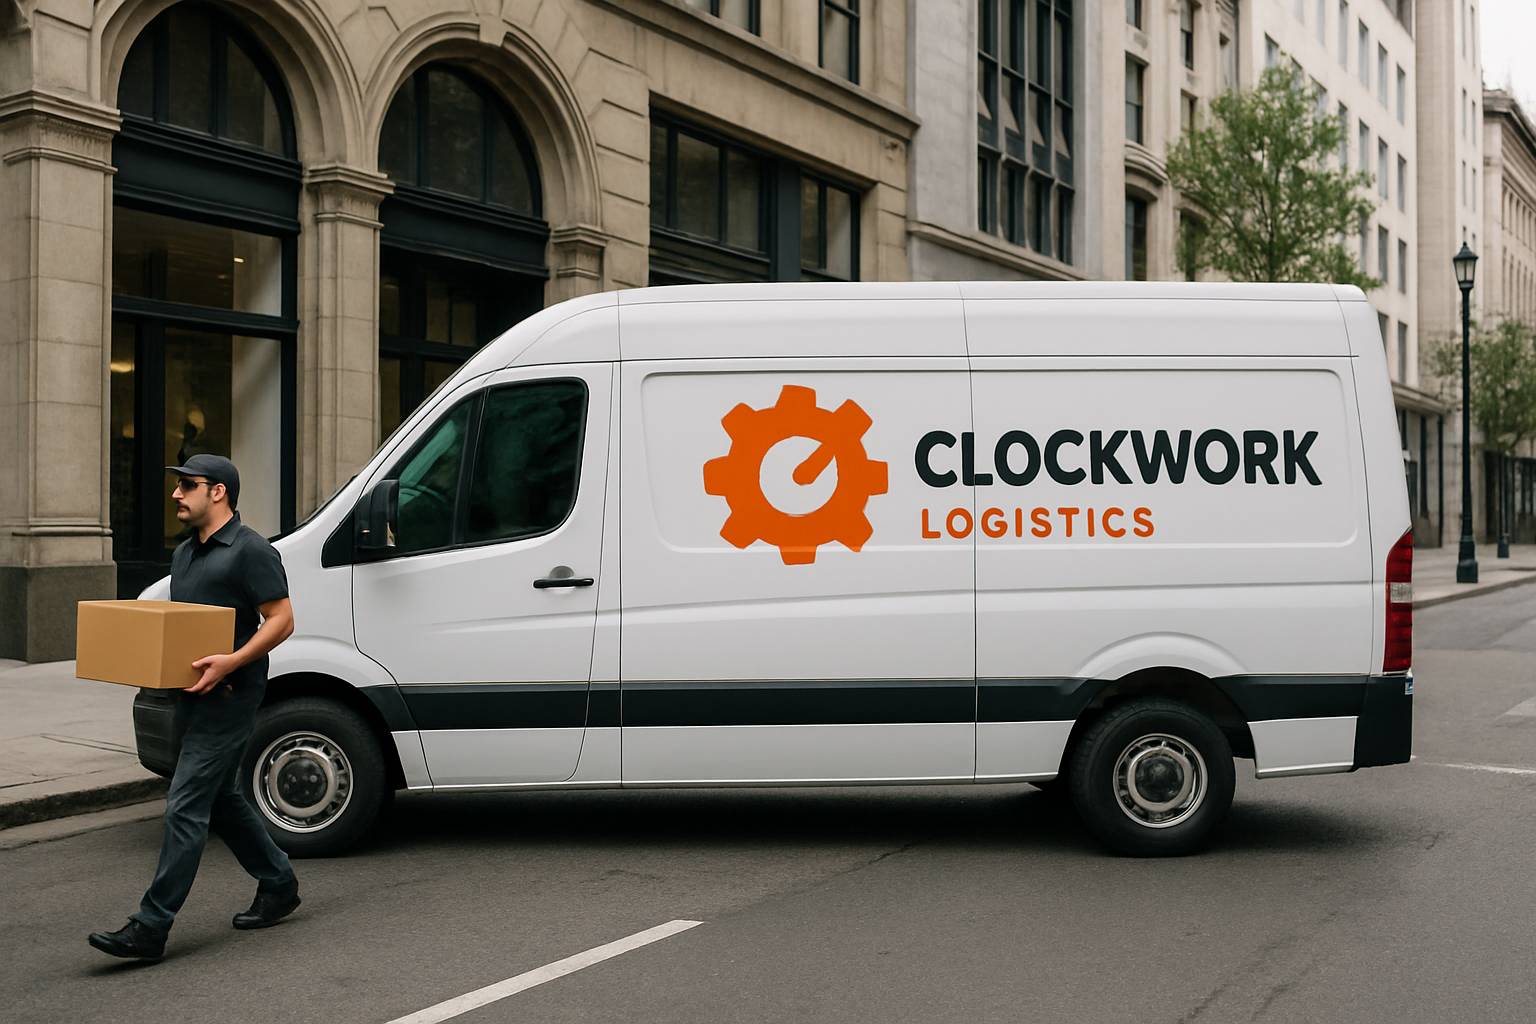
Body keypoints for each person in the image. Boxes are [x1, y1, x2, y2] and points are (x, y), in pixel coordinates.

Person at [89, 454, 300, 962]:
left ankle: (150, 926)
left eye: (188, 485)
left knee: (185, 805)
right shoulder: (185, 553)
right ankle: (279, 883)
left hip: (230, 698)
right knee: (222, 799)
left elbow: (282, 619)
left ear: (219, 492)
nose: (177, 494)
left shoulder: (251, 551)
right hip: (189, 694)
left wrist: (231, 662)